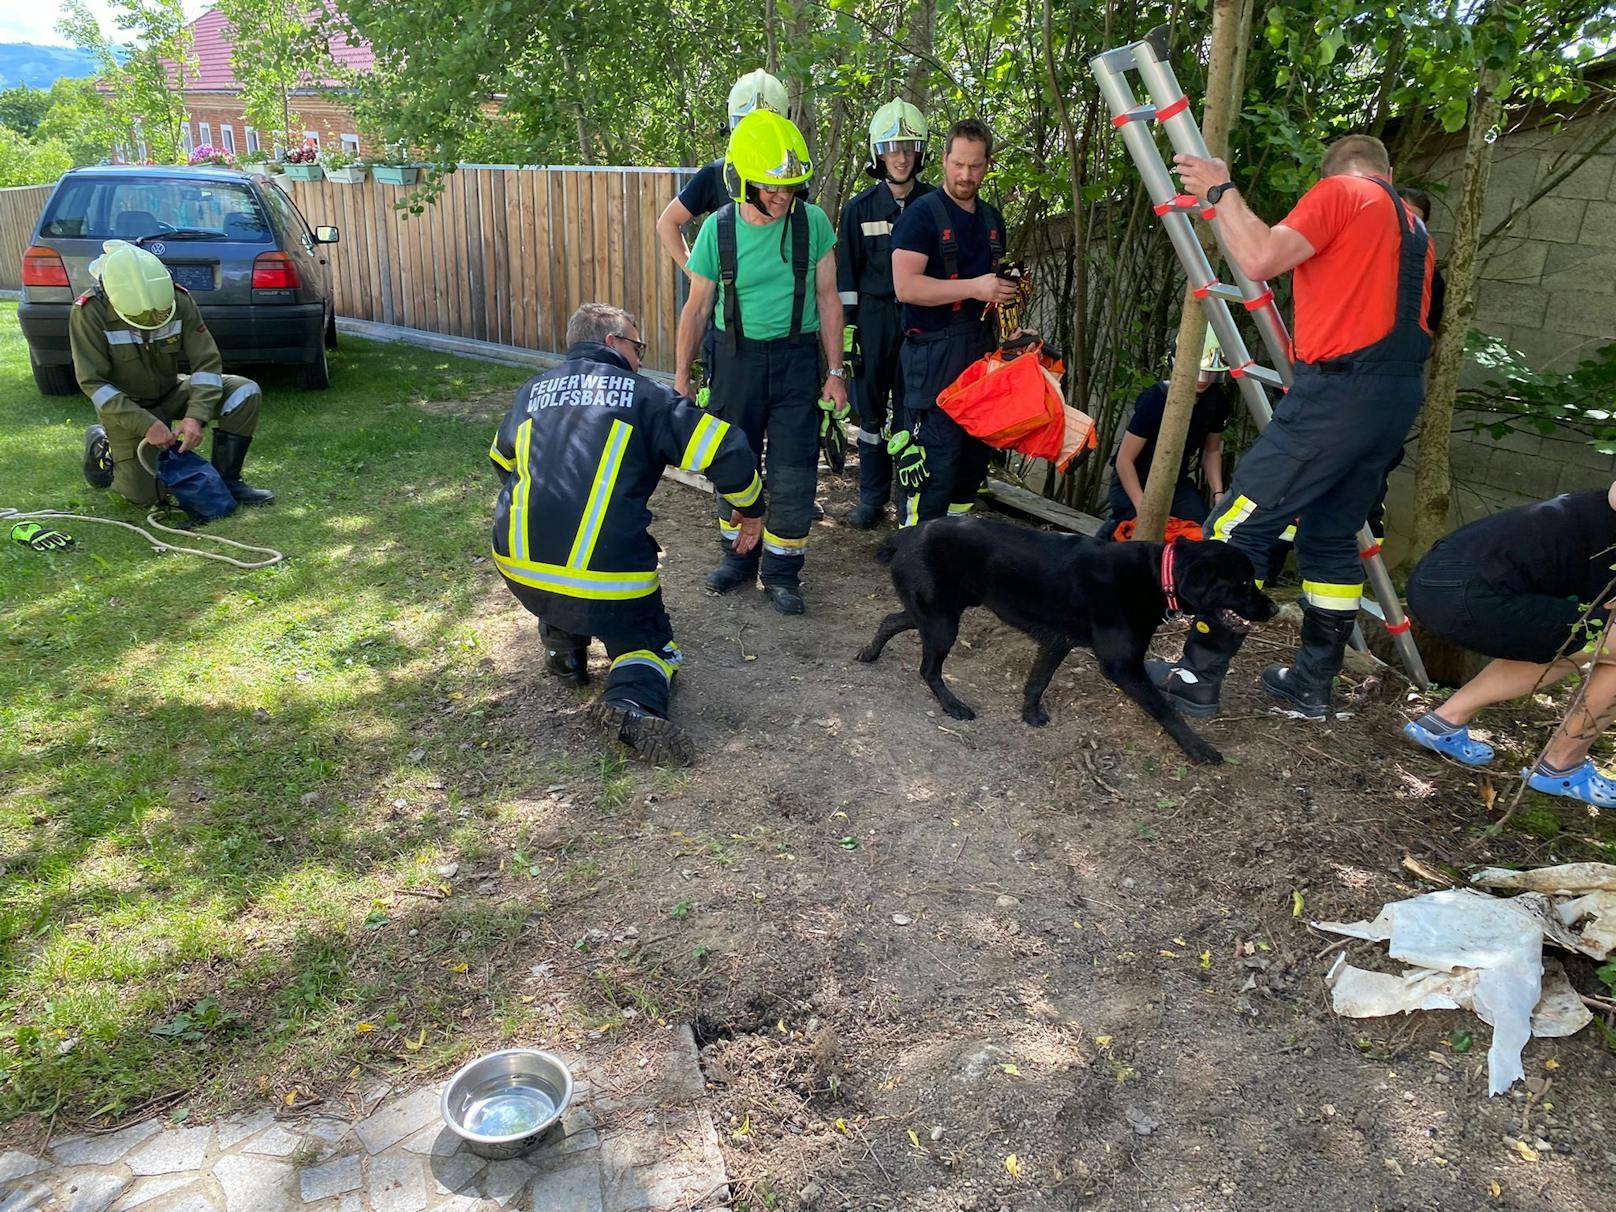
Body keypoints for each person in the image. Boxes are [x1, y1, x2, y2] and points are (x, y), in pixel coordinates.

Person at [1150, 133, 1435, 721]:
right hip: (1395, 398)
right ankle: (1311, 683)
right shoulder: (1412, 229)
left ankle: (1195, 676)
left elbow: (1259, 259)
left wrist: (1220, 191)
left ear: (1332, 175)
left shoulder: (1344, 194)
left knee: (1236, 527)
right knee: (1330, 537)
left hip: (1338, 396)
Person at [489, 303, 764, 766]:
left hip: (517, 565)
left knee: (559, 579)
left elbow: (502, 463)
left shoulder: (532, 390)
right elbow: (728, 449)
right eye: (638, 347)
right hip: (605, 577)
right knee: (646, 639)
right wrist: (751, 510)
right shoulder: (644, 396)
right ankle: (632, 703)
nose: (640, 358)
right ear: (613, 342)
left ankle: (565, 654)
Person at [672, 109, 846, 615]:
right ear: (743, 181)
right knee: (733, 463)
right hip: (734, 359)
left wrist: (835, 373)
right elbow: (697, 307)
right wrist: (683, 376)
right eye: (771, 187)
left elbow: (830, 297)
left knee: (793, 471)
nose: (781, 196)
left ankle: (783, 571)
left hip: (796, 360)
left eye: (789, 187)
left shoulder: (813, 225)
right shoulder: (717, 231)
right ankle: (736, 559)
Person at [1401, 484, 1616, 808]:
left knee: (1569, 639)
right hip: (1474, 595)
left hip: (1438, 582)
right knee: (1602, 640)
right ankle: (1561, 765)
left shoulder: (1583, 518)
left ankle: (1442, 724)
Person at [71, 239, 273, 508]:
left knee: (244, 391)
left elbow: (207, 363)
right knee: (146, 498)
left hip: (171, 391)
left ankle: (228, 481)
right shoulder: (88, 312)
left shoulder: (179, 299)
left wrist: (196, 415)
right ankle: (103, 443)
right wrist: (145, 424)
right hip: (127, 409)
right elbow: (94, 384)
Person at [889, 117, 1019, 527]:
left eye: (975, 166)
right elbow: (905, 288)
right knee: (933, 464)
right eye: (958, 164)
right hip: (933, 356)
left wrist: (1012, 323)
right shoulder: (922, 216)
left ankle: (954, 555)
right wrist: (974, 288)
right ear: (944, 160)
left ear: (987, 165)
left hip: (981, 354)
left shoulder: (991, 219)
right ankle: (915, 559)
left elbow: (993, 291)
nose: (966, 175)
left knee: (970, 465)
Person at [837, 99, 934, 529]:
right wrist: (849, 333)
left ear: (920, 151)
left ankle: (907, 504)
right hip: (873, 322)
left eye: (909, 146)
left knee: (913, 414)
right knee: (871, 416)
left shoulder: (935, 205)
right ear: (878, 152)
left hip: (919, 320)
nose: (900, 156)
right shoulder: (858, 209)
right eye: (892, 147)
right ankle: (871, 498)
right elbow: (846, 277)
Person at [655, 70, 791, 277]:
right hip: (726, 303)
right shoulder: (716, 174)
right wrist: (697, 276)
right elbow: (667, 223)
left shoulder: (793, 176)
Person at [1100, 332, 1233, 541]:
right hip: (1135, 479)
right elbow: (1124, 461)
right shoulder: (1156, 399)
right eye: (1199, 371)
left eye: (1210, 372)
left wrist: (1218, 493)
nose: (1204, 379)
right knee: (1137, 536)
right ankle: (1108, 533)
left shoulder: (1217, 402)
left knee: (1204, 533)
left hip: (1175, 483)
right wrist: (1142, 507)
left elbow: (1212, 450)